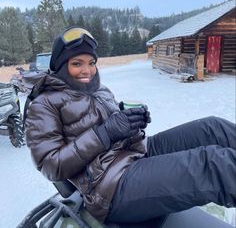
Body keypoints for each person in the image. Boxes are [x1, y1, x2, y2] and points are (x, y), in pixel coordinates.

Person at [25, 26, 236, 224]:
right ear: (62, 66)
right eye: (77, 63)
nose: (87, 70)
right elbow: (50, 165)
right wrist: (104, 134)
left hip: (137, 150)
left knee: (213, 128)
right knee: (215, 166)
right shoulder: (44, 104)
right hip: (110, 184)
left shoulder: (100, 90)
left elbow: (110, 120)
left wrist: (131, 120)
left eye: (91, 62)